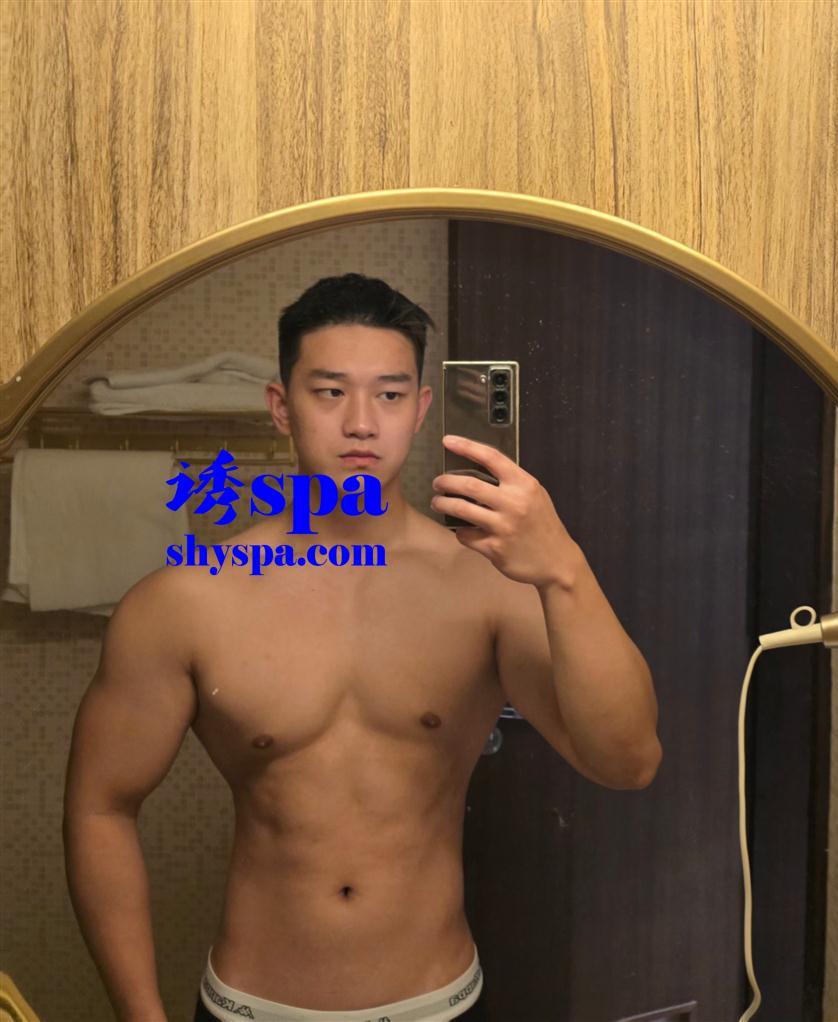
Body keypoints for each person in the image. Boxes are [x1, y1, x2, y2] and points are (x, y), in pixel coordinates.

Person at [62, 273, 662, 1022]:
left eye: (388, 394)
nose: (360, 423)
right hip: (251, 1005)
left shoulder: (489, 585)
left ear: (422, 410)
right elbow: (101, 808)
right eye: (329, 392)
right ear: (281, 407)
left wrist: (565, 569)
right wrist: (141, 1017)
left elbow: (627, 761)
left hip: (439, 1002)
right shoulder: (188, 600)